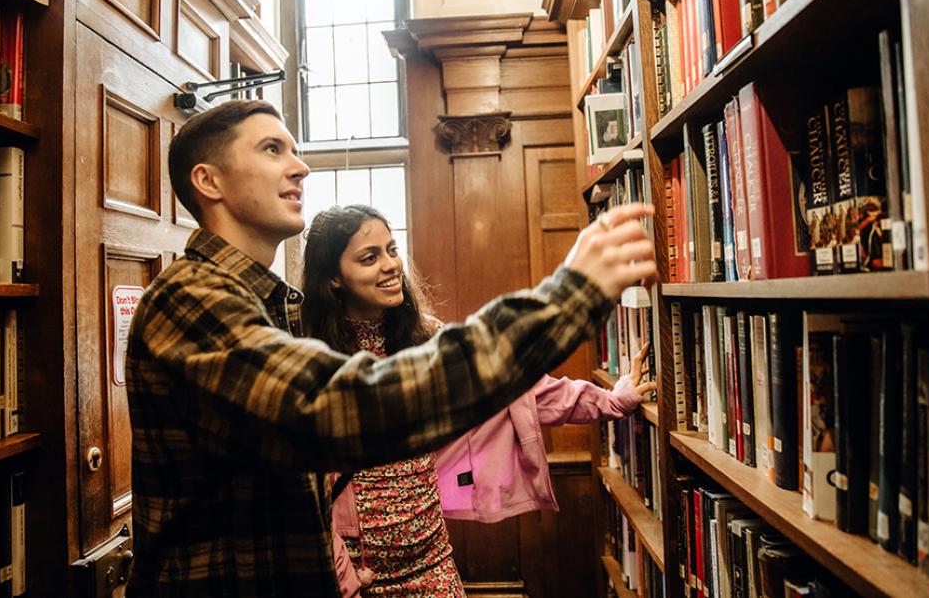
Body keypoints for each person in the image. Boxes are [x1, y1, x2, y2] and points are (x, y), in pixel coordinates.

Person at [124, 99, 657, 596]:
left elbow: (518, 396)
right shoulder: (190, 299)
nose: (301, 166)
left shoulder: (265, 307)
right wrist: (561, 302)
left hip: (424, 561)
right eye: (271, 149)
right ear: (208, 180)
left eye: (293, 148)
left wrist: (608, 399)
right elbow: (338, 410)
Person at [299, 205, 658, 597]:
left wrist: (611, 401)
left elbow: (522, 388)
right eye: (369, 258)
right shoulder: (312, 359)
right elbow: (300, 487)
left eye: (392, 249)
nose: (390, 265)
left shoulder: (426, 340)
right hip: (355, 578)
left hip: (432, 563)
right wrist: (341, 578)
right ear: (333, 277)